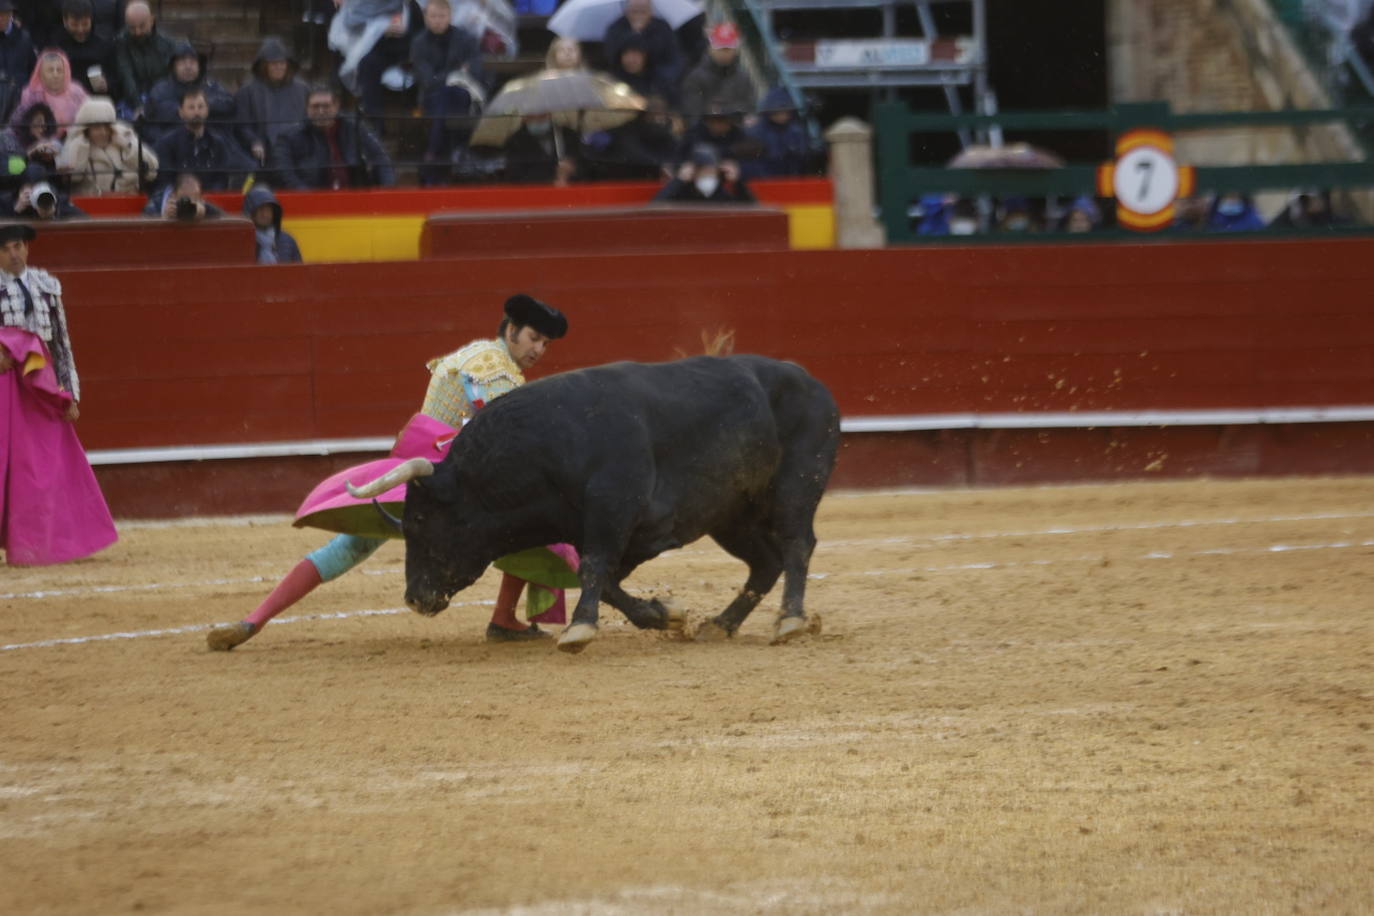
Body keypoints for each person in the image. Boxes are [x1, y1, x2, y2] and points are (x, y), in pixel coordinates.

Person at [206, 293, 572, 651]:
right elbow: (505, 438)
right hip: (447, 486)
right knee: (537, 518)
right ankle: (505, 618)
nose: (538, 350)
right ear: (511, 330)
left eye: (545, 343)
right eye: (533, 338)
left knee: (348, 547)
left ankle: (254, 619)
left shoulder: (475, 352)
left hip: (413, 472)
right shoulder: (495, 370)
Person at [0, 222, 117, 565]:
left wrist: (71, 393)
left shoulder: (47, 287)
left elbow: (61, 344)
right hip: (5, 386)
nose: (14, 253)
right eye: (6, 248)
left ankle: (42, 542)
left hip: (43, 390)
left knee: (44, 468)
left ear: (28, 248)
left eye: (18, 245)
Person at [409, 0, 484, 185]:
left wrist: (448, 76)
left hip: (463, 94)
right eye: (433, 16)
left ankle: (433, 155)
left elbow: (476, 68)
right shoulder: (418, 43)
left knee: (453, 94)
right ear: (426, 18)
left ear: (450, 17)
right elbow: (427, 80)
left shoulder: (465, 38)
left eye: (441, 16)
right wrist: (455, 72)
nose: (437, 20)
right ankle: (457, 152)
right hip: (432, 97)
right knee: (445, 95)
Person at [269, 84, 395, 189]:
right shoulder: (288, 136)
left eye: (326, 106)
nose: (321, 111)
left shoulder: (355, 127)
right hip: (312, 202)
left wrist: (386, 191)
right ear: (307, 108)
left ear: (336, 106)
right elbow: (284, 173)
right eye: (315, 106)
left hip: (355, 198)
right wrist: (309, 197)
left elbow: (381, 157)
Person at [151, 88, 255, 192]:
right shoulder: (167, 143)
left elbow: (222, 179)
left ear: (207, 110)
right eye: (191, 107)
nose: (197, 112)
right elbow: (165, 181)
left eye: (200, 107)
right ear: (181, 112)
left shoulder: (218, 142)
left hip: (211, 199)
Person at [56, 94, 156, 193]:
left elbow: (152, 171)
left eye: (106, 126)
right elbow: (72, 179)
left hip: (128, 201)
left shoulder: (125, 135)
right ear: (86, 129)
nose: (103, 132)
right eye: (97, 127)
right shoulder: (76, 143)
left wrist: (128, 146)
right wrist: (82, 149)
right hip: (90, 204)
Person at [234, 36, 309, 168]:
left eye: (282, 63)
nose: (278, 67)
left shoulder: (302, 89)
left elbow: (308, 120)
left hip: (298, 152)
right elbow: (242, 125)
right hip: (264, 154)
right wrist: (254, 141)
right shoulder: (247, 92)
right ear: (264, 65)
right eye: (274, 64)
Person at [143, 40, 236, 143]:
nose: (188, 67)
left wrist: (205, 105)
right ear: (173, 67)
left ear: (199, 66)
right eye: (182, 63)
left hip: (210, 143)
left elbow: (229, 103)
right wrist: (189, 110)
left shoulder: (211, 86)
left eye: (192, 62)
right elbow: (156, 113)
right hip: (172, 145)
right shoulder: (161, 89)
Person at [603, 0, 682, 107]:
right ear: (627, 11)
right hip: (623, 85)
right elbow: (611, 58)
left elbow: (672, 61)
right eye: (635, 11)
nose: (639, 16)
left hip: (657, 85)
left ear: (651, 12)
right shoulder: (616, 28)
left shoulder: (663, 29)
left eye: (643, 11)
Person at [680, 22, 755, 127]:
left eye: (728, 49)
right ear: (710, 48)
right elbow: (692, 114)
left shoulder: (743, 77)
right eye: (720, 48)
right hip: (705, 133)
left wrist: (726, 111)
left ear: (735, 50)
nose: (724, 53)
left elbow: (749, 108)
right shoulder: (695, 77)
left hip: (736, 132)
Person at [111, 0, 175, 120]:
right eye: (132, 27)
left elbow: (171, 77)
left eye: (142, 26)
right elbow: (126, 76)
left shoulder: (167, 44)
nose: (137, 32)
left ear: (151, 20)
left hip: (162, 98)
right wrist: (137, 105)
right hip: (132, 99)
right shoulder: (121, 43)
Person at [741, 86, 818, 179]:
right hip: (764, 180)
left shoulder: (797, 131)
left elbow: (804, 159)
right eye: (776, 112)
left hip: (793, 181)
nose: (782, 116)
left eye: (785, 112)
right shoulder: (756, 132)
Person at [10, 49, 87, 138]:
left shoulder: (77, 91)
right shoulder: (30, 93)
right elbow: (22, 126)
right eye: (50, 70)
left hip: (74, 140)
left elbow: (88, 118)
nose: (55, 74)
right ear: (41, 73)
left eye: (59, 70)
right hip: (39, 142)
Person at [54, 0, 118, 98]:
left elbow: (116, 77)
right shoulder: (56, 46)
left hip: (96, 100)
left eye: (85, 24)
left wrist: (107, 84)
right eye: (74, 25)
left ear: (91, 20)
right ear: (65, 21)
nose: (80, 30)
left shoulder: (104, 46)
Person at [653, 142, 753, 203]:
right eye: (703, 171)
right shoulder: (681, 194)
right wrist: (679, 180)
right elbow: (656, 206)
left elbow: (752, 209)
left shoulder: (721, 196)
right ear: (693, 172)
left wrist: (738, 183)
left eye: (712, 172)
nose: (708, 176)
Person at [499, 113, 582, 185]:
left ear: (549, 114)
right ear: (524, 117)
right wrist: (553, 180)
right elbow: (515, 175)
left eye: (542, 116)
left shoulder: (567, 135)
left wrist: (571, 170)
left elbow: (584, 165)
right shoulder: (515, 141)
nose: (537, 120)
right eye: (532, 117)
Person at [242, 183, 302, 264]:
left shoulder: (288, 241)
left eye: (268, 209)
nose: (264, 214)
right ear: (250, 212)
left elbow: (300, 273)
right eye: (260, 209)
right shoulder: (242, 243)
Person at [1, 162, 85, 219]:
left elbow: (84, 219)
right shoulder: (7, 201)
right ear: (21, 189)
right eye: (31, 188)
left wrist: (54, 214)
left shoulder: (56, 199)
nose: (35, 193)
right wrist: (15, 210)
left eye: (37, 188)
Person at [0, 0, 37, 122]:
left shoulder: (24, 38)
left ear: (10, 13)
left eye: (3, 13)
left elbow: (33, 70)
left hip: (19, 101)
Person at [142, 170, 223, 220]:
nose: (189, 206)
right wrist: (163, 218)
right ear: (172, 195)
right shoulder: (156, 204)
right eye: (185, 200)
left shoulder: (201, 205)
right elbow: (142, 229)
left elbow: (225, 219)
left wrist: (205, 212)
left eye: (193, 201)